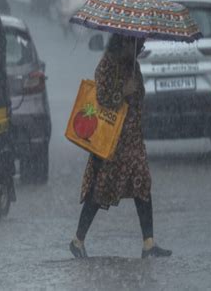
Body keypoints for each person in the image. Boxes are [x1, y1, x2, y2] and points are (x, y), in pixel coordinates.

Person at [69, 34, 172, 259]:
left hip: (132, 140)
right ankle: (78, 240)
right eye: (138, 43)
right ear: (124, 42)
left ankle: (148, 243)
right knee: (100, 190)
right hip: (111, 142)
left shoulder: (133, 65)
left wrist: (135, 90)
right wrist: (122, 93)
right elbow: (102, 99)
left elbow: (140, 97)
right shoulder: (107, 64)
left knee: (142, 183)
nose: (141, 47)